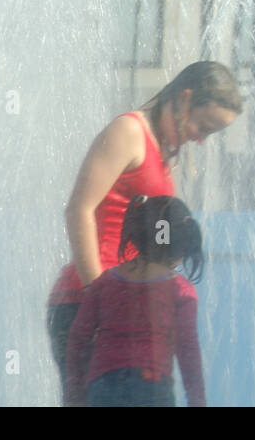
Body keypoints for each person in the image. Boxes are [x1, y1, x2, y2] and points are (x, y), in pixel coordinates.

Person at [46, 61, 242, 403]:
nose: (201, 138)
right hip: (87, 303)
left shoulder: (165, 155)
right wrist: (101, 299)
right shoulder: (129, 132)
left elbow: (157, 245)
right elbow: (79, 209)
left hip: (124, 314)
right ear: (185, 98)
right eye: (204, 125)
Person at [64, 195, 207, 406]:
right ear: (181, 245)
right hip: (152, 385)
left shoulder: (104, 284)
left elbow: (78, 339)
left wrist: (74, 395)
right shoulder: (180, 291)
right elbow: (188, 350)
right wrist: (198, 401)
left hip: (103, 386)